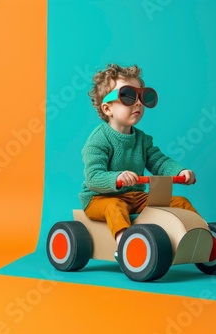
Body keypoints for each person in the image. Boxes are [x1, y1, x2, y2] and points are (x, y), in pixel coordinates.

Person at [79, 63, 199, 248]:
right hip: (100, 199)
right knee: (114, 207)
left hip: (134, 196)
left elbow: (159, 162)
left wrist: (180, 171)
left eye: (142, 97)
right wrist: (117, 177)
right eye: (128, 96)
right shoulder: (98, 140)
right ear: (107, 109)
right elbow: (93, 177)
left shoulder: (142, 140)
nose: (137, 102)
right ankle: (125, 246)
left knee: (180, 202)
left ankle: (199, 236)